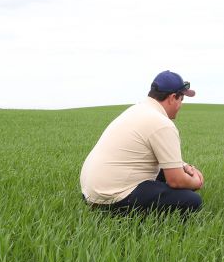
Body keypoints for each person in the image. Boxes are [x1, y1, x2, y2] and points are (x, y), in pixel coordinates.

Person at [80, 70, 204, 214]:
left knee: (181, 177)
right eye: (181, 99)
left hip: (91, 193)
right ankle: (116, 212)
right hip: (112, 198)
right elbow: (175, 180)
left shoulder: (137, 110)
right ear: (172, 98)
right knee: (192, 200)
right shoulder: (162, 124)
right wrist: (196, 181)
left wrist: (185, 166)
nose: (181, 105)